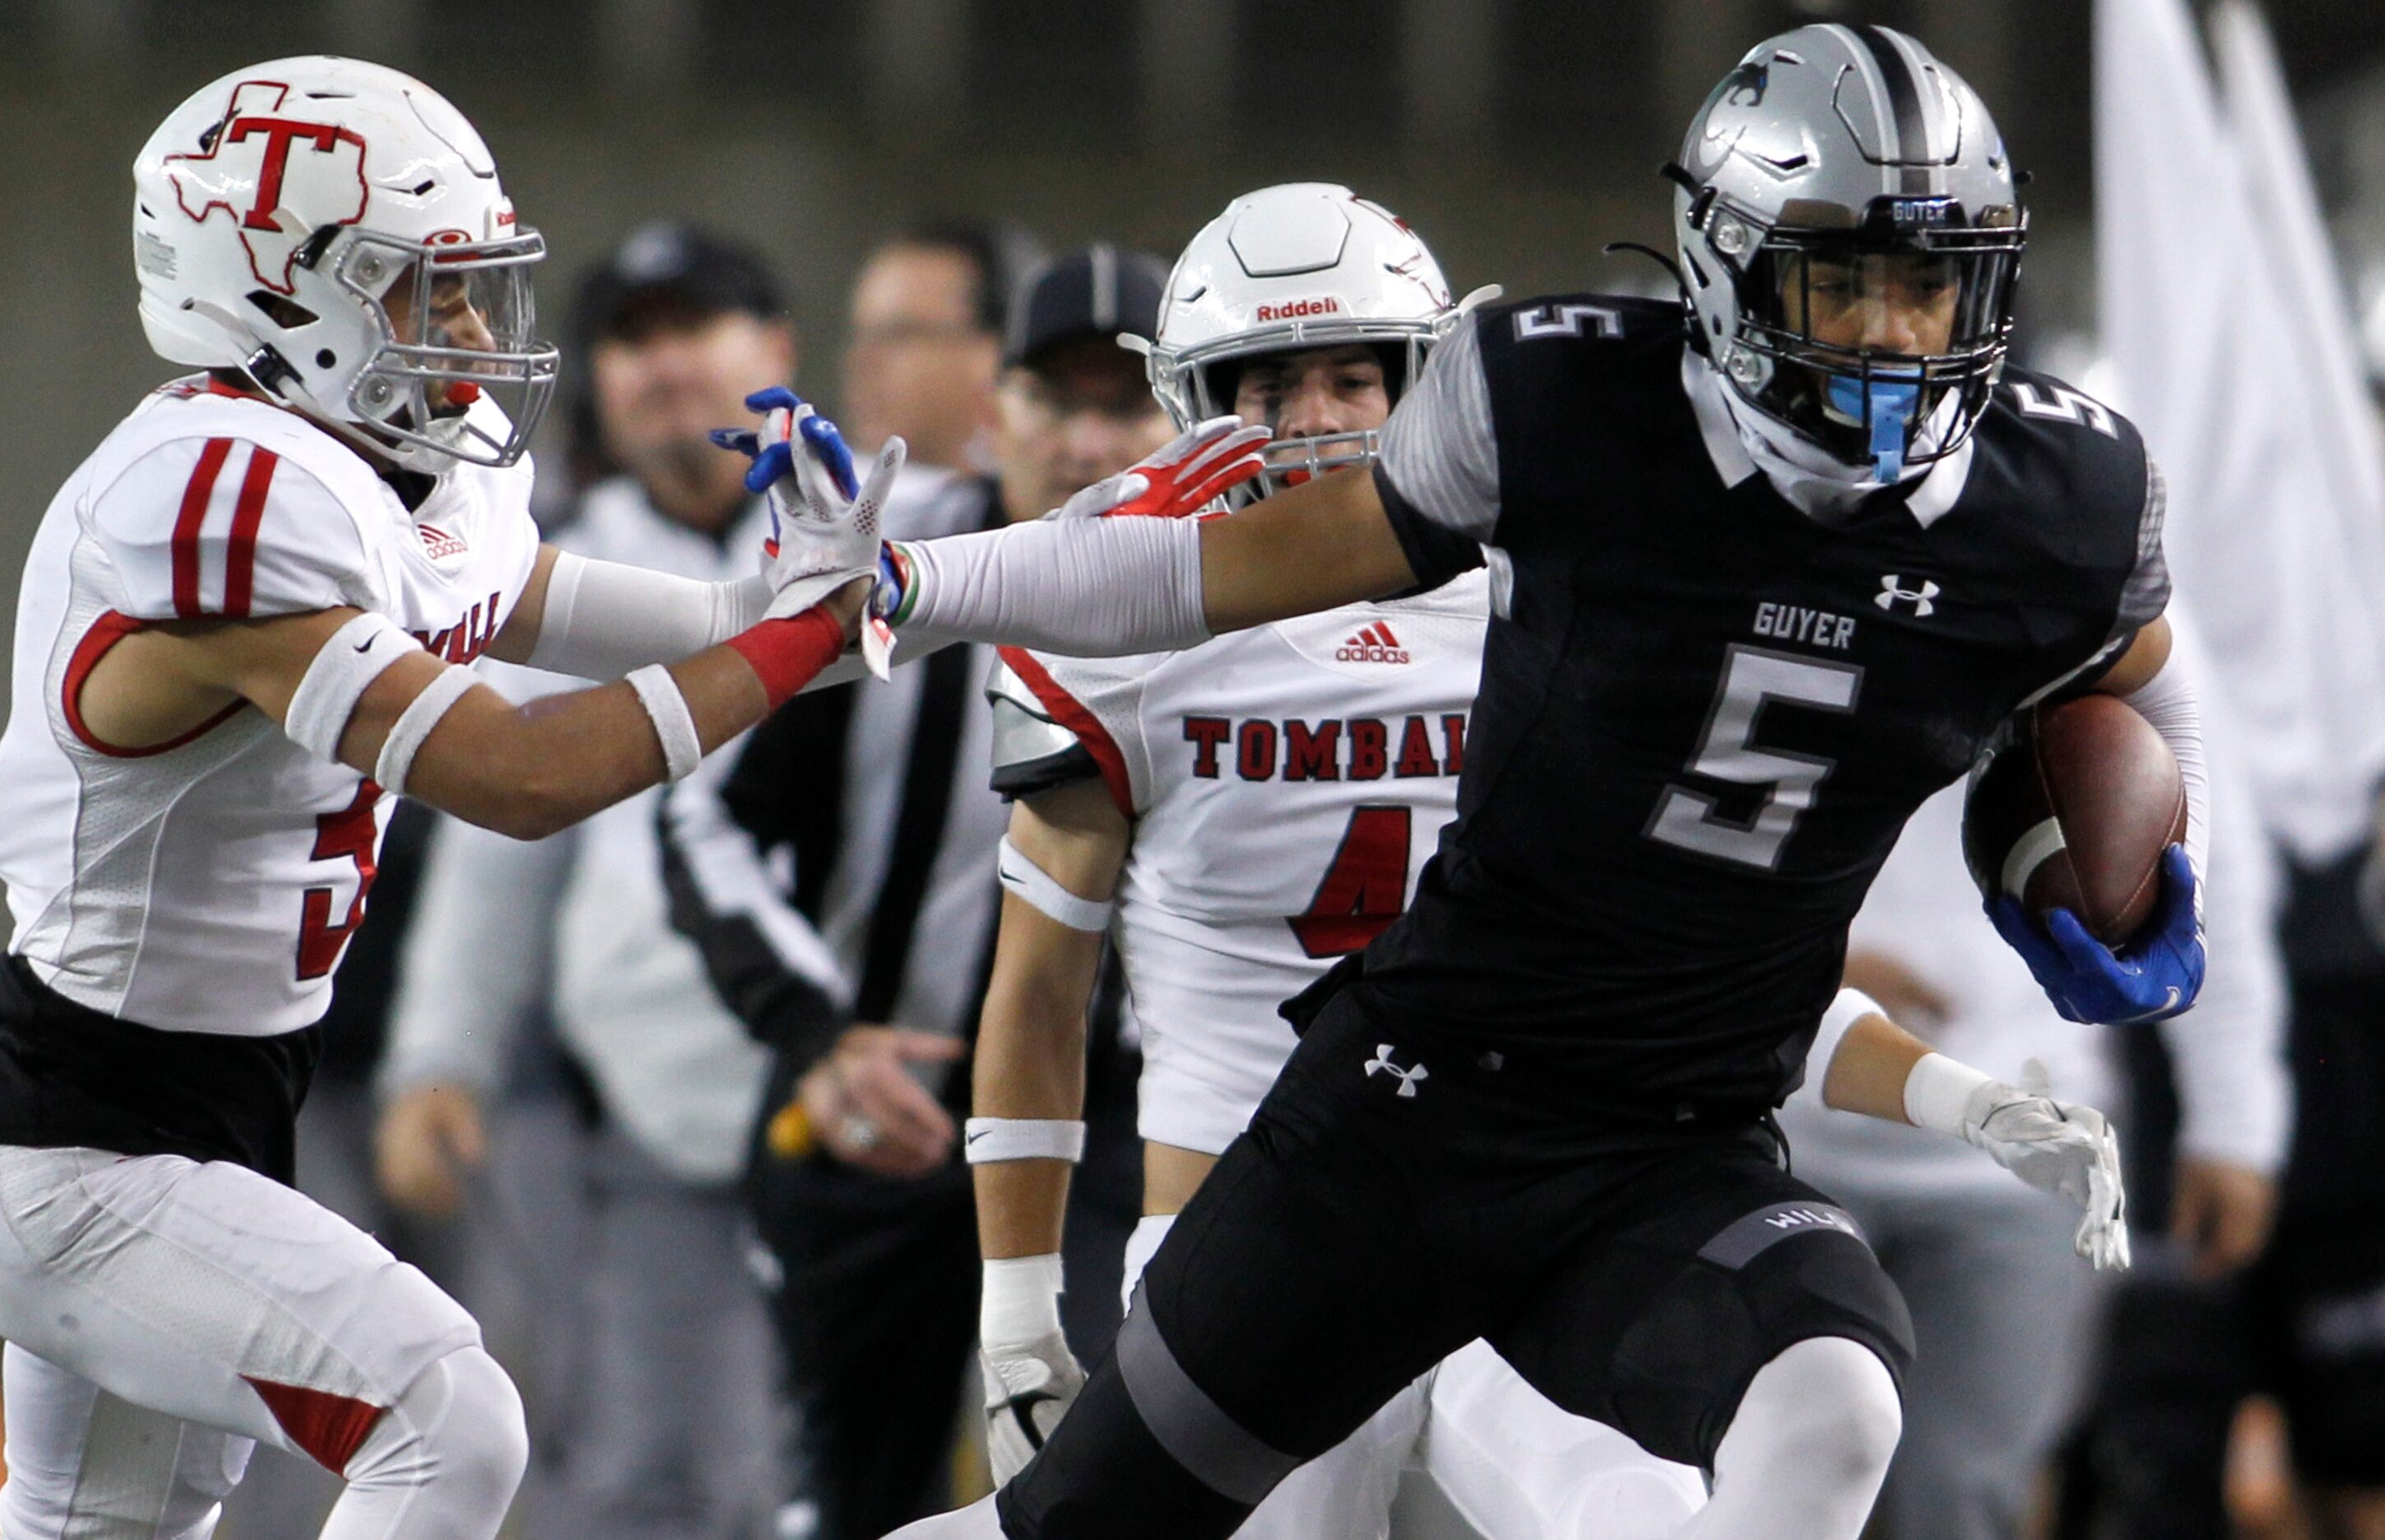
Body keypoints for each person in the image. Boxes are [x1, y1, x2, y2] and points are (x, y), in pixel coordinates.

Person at [768, 25, 2206, 1540]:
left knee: (1832, 1406)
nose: (1893, 336)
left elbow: (2131, 685)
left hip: (1660, 1140)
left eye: (1926, 283)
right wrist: (908, 581)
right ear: (1723, 266)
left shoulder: (2058, 500)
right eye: (1839, 278)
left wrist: (2145, 872)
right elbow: (1203, 583)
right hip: (1389, 1130)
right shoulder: (1553, 428)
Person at [0, 59, 877, 1540]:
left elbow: (604, 613)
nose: (476, 334)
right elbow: (524, 772)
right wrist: (800, 634)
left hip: (196, 1111)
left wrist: (825, 602)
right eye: (430, 294)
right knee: (445, 1419)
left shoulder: (374, 478)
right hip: (80, 1140)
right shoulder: (216, 498)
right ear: (282, 295)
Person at [968, 182, 1704, 1540]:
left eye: (1352, 376)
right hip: (1243, 1259)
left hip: (1513, 1228)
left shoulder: (1541, 577)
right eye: (1265, 385)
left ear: (1429, 379)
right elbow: (1037, 991)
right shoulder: (1122, 599)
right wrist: (1015, 1310)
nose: (1311, 420)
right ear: (1191, 395)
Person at [654, 246, 1172, 1540]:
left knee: (1110, 1486)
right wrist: (811, 1035)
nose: (1086, 438)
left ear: (1179, 420)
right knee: (848, 1495)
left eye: (1124, 403)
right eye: (1056, 399)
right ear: (994, 408)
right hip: (888, 1102)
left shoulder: (1232, 587)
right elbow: (701, 806)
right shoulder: (886, 561)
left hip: (1115, 1123)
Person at [371, 225, 805, 1540]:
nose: (664, 362)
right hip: (659, 1113)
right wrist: (437, 1057)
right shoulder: (550, 573)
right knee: (655, 1480)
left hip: (895, 1107)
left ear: (777, 351)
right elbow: (500, 837)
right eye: (630, 336)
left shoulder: (894, 534)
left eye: (696, 324)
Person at [1775, 616, 2287, 1540]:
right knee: (1763, 1493)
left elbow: (2207, 882)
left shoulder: (2091, 569)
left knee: (1959, 1494)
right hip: (1787, 1135)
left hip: (2019, 1152)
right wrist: (1804, 962)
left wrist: (2236, 1120)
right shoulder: (1761, 562)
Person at [844, 219, 1037, 477]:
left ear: (992, 353)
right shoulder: (818, 506)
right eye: (863, 335)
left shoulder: (1062, 506)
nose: (863, 361)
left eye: (900, 335)